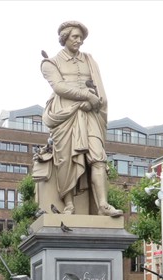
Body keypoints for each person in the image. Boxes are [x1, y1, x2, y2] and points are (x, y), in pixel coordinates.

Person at [39, 21, 123, 217]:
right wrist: (86, 96)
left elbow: (99, 89)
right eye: (75, 37)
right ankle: (68, 205)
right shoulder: (50, 63)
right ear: (64, 38)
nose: (79, 41)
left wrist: (94, 102)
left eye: (81, 38)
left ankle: (103, 205)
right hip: (65, 116)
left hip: (89, 114)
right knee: (65, 161)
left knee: (98, 157)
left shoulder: (89, 60)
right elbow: (59, 87)